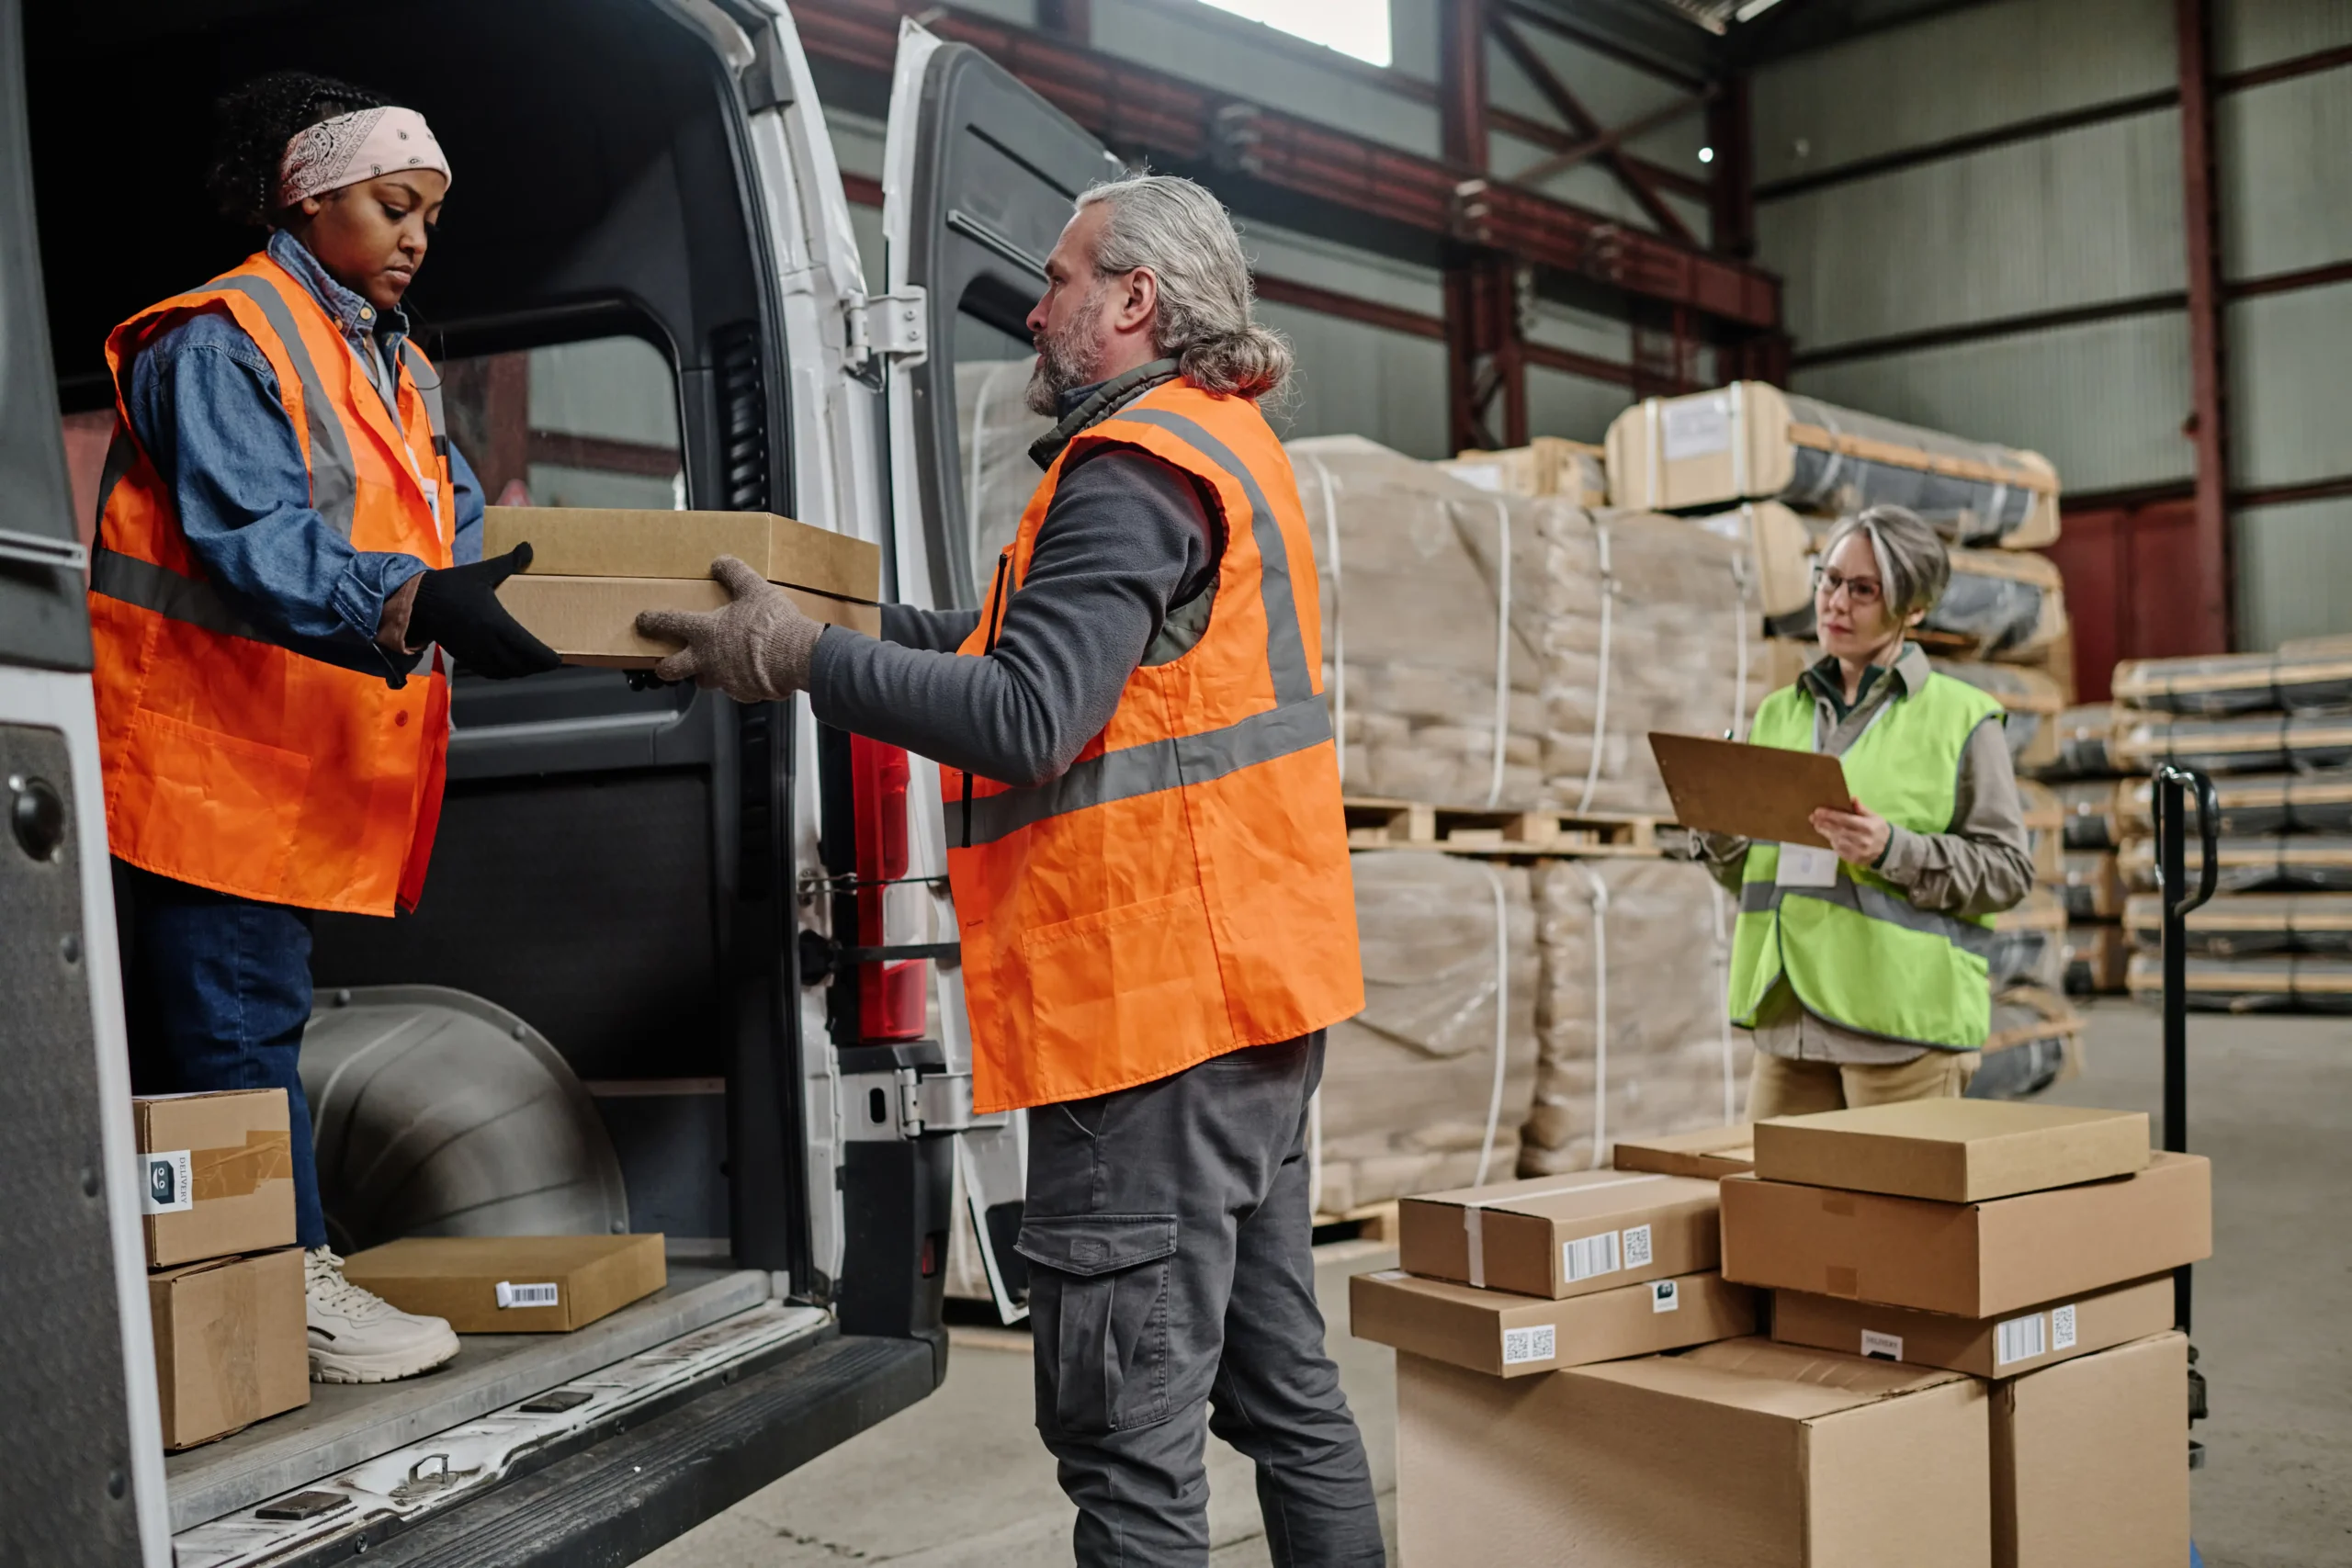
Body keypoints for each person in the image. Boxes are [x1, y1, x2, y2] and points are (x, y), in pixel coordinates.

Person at [642, 175, 1384, 1566]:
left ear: (1134, 301)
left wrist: (803, 663)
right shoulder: (1215, 441)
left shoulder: (1129, 474)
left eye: (1057, 279)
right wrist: (839, 623)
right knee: (1288, 1398)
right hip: (1250, 997)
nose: (1035, 311)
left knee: (1131, 1443)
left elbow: (1027, 717)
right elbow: (1015, 650)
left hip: (1150, 1017)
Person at [94, 73, 560, 1383]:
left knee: (245, 1026)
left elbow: (450, 519)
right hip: (201, 756)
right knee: (233, 1040)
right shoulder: (223, 338)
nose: (418, 234)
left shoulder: (390, 357)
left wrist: (542, 620)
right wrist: (413, 599)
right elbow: (255, 539)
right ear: (307, 196)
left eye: (429, 215)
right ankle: (280, 1281)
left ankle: (251, 1277)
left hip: (284, 759)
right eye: (392, 205)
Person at [1702, 504, 2035, 1119]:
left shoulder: (1962, 718)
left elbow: (2008, 873)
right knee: (1775, 1208)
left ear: (1913, 608)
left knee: (1891, 1216)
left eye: (1863, 589)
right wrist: (1717, 830)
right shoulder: (1780, 713)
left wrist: (1892, 850)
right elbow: (1755, 876)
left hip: (1901, 1028)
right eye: (1830, 581)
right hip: (1790, 1011)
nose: (1835, 603)